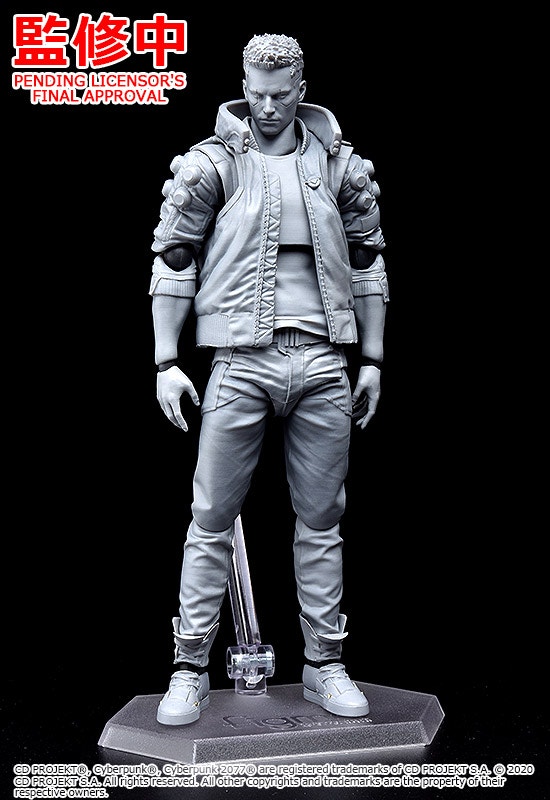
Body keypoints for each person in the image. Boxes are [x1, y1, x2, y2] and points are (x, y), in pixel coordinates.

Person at [150, 33, 389, 726]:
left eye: (281, 95)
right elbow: (174, 257)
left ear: (301, 90)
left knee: (322, 518)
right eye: (256, 94)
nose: (268, 106)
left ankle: (324, 664)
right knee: (210, 518)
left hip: (322, 358)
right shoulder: (212, 164)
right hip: (240, 359)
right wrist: (166, 361)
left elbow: (369, 260)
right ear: (244, 88)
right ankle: (189, 668)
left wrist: (372, 359)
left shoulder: (340, 166)